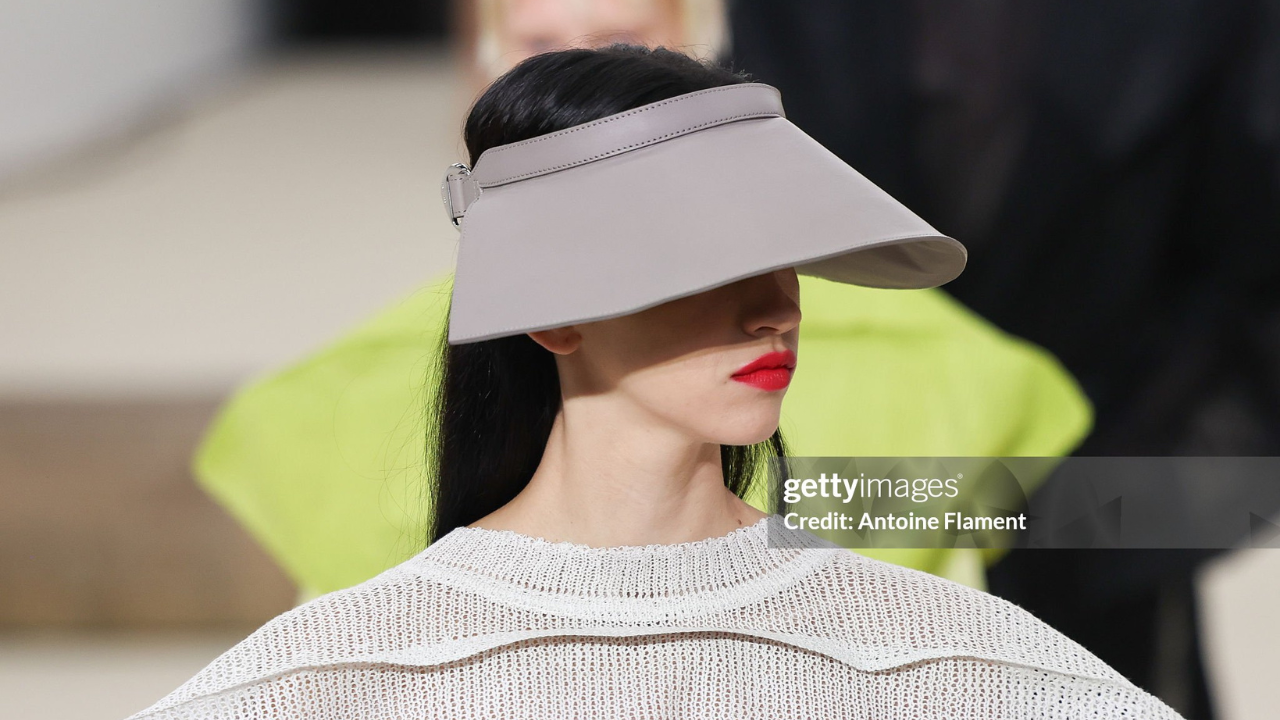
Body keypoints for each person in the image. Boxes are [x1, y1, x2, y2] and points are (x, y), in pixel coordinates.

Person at [124, 45, 1183, 719]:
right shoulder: (350, 671)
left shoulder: (932, 660)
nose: (775, 306)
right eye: (700, 264)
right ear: (549, 311)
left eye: (782, 255)